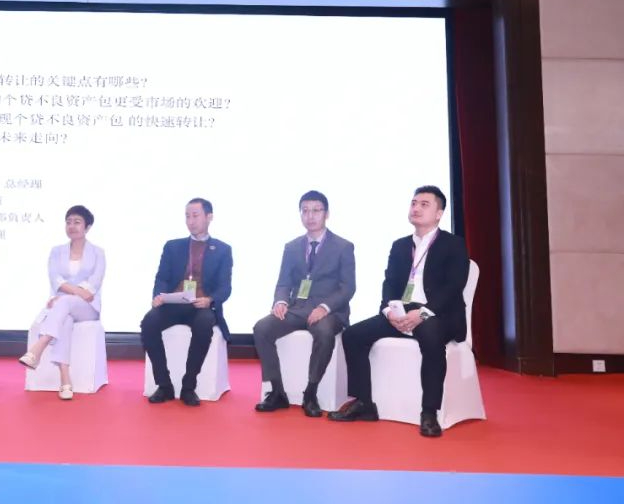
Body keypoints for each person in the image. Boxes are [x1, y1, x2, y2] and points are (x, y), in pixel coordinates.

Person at [328, 185, 470, 437]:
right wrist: (388, 312)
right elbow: (390, 283)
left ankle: (429, 412)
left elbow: (454, 287)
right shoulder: (400, 245)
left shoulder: (453, 244)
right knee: (353, 335)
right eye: (413, 203)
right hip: (402, 312)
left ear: (439, 213)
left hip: (438, 314)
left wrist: (422, 313)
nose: (416, 208)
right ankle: (364, 403)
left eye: (424, 204)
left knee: (431, 336)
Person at [252, 190, 356, 417]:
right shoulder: (292, 247)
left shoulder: (343, 246)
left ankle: (310, 393)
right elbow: (284, 282)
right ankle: (277, 392)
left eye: (316, 210)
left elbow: (348, 287)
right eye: (305, 211)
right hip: (297, 308)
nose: (310, 216)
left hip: (329, 311)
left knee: (325, 333)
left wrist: (324, 307)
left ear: (326, 214)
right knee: (262, 328)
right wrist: (280, 301)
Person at [141, 197, 233, 407]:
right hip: (173, 302)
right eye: (187, 216)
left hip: (200, 305)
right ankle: (164, 384)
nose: (190, 221)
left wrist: (210, 300)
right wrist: (158, 296)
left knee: (204, 324)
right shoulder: (173, 246)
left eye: (195, 216)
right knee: (148, 323)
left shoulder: (222, 249)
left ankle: (189, 386)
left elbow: (225, 287)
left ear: (209, 217)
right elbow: (162, 277)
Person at [18, 205, 106, 400]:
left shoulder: (98, 253)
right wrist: (72, 294)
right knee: (64, 319)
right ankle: (65, 379)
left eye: (77, 222)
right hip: (62, 305)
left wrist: (68, 294)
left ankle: (38, 348)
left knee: (64, 304)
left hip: (88, 308)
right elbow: (55, 279)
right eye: (68, 222)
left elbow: (92, 286)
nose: (71, 226)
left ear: (87, 227)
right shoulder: (56, 251)